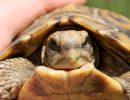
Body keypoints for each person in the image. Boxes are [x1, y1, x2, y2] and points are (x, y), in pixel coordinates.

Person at [0, 0, 85, 52]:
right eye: (54, 45)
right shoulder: (21, 67)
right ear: (45, 49)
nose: (71, 52)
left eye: (85, 44)